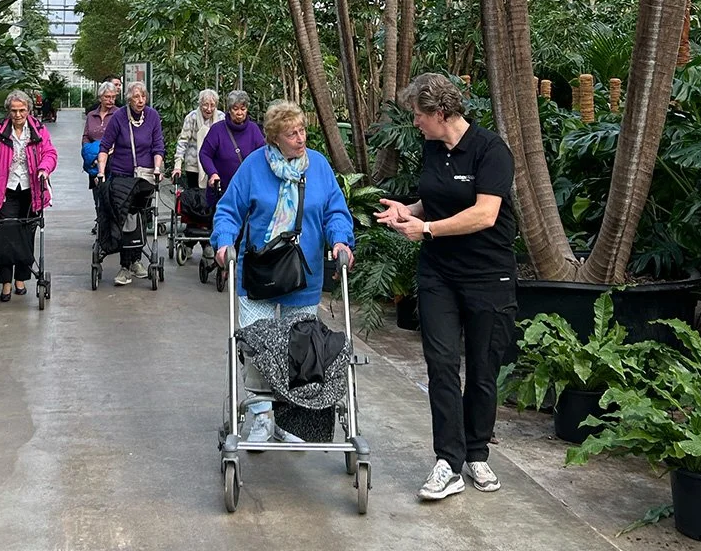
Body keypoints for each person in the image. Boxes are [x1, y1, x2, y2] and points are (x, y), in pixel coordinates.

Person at [374, 73, 518, 501]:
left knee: (482, 369)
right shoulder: (433, 148)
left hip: (488, 275)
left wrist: (428, 228)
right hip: (438, 274)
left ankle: (477, 453)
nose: (415, 122)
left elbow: (484, 214)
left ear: (440, 113)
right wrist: (409, 210)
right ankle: (447, 462)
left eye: (419, 115)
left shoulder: (491, 151)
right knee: (440, 365)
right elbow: (435, 200)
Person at [212, 100, 355, 443]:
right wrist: (223, 243)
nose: (300, 138)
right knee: (258, 344)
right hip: (259, 274)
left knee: (299, 349)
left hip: (303, 276)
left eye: (303, 130)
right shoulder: (252, 168)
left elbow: (335, 210)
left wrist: (340, 240)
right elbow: (229, 210)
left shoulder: (318, 166)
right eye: (292, 133)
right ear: (274, 138)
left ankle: (290, 420)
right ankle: (262, 416)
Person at [0, 90, 58, 301]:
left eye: (22, 110)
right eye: (14, 111)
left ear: (29, 110)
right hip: (6, 189)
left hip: (32, 189)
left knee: (27, 234)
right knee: (6, 234)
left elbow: (50, 153)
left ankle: (21, 278)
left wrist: (44, 168)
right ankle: (6, 283)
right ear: (8, 111)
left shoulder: (38, 130)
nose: (18, 114)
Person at [97, 81, 165, 286]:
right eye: (136, 96)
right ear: (128, 99)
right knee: (124, 216)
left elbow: (158, 146)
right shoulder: (119, 117)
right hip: (121, 175)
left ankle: (135, 261)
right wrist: (101, 171)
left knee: (141, 215)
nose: (140, 100)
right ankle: (127, 265)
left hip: (144, 177)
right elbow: (105, 145)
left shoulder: (152, 116)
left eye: (143, 96)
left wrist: (157, 169)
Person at [199, 90, 266, 191]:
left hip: (247, 189)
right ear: (229, 110)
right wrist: (213, 173)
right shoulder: (217, 129)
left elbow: (264, 155)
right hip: (222, 190)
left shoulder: (254, 129)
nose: (239, 113)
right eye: (235, 109)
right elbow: (204, 154)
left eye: (243, 109)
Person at [83, 82, 119, 234]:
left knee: (111, 194)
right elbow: (86, 136)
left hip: (114, 160)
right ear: (100, 98)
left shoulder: (119, 113)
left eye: (113, 97)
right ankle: (101, 222)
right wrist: (88, 152)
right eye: (107, 97)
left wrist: (109, 152)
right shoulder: (92, 115)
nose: (110, 100)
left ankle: (112, 226)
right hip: (94, 162)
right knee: (97, 193)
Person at [172, 89, 224, 188]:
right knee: (196, 199)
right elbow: (183, 141)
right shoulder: (192, 117)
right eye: (205, 105)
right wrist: (177, 166)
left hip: (215, 167)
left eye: (212, 105)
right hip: (193, 166)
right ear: (200, 104)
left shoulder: (221, 118)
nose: (209, 109)